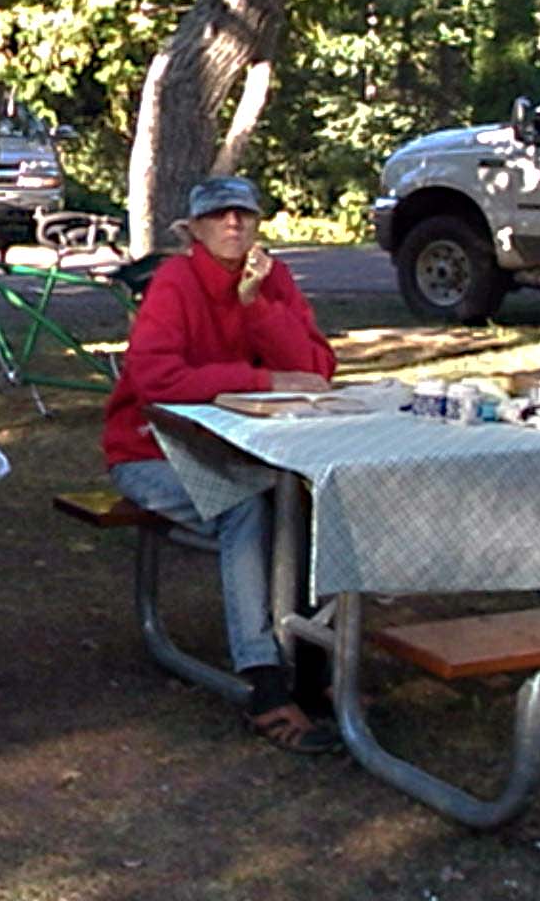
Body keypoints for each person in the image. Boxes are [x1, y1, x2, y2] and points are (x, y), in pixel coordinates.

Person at [101, 174, 339, 753]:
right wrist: (256, 379)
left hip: (249, 454)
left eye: (244, 215)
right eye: (219, 216)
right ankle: (262, 679)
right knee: (246, 508)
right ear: (196, 230)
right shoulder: (175, 282)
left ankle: (315, 668)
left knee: (313, 501)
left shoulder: (271, 277)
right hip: (149, 453)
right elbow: (155, 380)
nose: (233, 224)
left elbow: (316, 368)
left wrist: (256, 307)